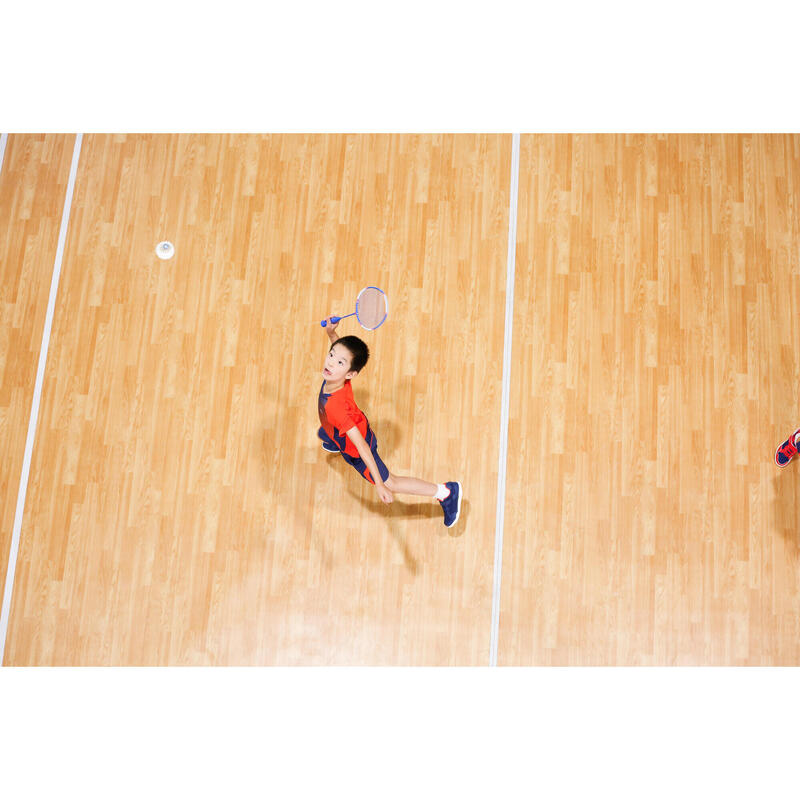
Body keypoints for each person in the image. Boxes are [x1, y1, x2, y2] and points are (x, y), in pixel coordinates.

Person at [317, 317, 462, 527]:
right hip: (347, 425)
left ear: (350, 373)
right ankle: (333, 438)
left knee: (390, 482)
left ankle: (446, 492)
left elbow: (363, 448)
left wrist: (379, 485)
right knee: (328, 431)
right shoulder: (336, 377)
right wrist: (332, 334)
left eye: (339, 362)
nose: (330, 362)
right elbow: (342, 353)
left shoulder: (337, 408)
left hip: (356, 448)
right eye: (331, 355)